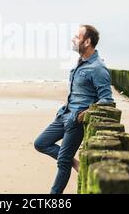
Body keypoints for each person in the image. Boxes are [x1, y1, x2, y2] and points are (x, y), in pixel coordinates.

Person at [34, 24, 114, 194]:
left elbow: (107, 100)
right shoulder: (81, 63)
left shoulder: (98, 68)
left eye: (77, 37)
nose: (73, 39)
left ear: (87, 42)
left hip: (76, 121)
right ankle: (77, 164)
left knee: (63, 162)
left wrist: (86, 112)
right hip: (64, 114)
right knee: (40, 143)